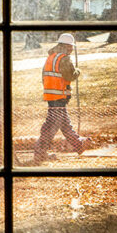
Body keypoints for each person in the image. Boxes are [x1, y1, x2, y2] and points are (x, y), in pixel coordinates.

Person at [34, 33, 83, 162]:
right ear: (66, 46)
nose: (72, 49)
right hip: (58, 96)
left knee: (63, 123)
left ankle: (79, 145)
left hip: (51, 95)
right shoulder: (64, 58)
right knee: (52, 125)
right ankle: (39, 151)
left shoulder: (51, 57)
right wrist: (77, 71)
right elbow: (70, 76)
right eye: (71, 46)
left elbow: (44, 77)